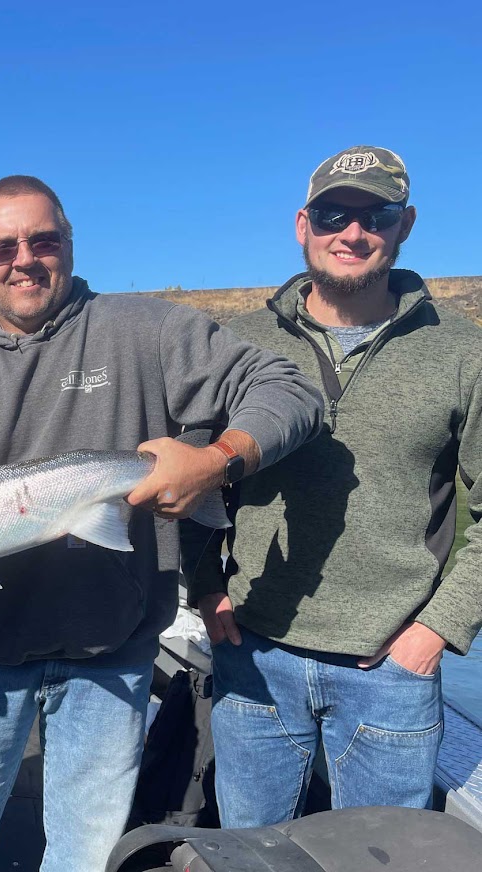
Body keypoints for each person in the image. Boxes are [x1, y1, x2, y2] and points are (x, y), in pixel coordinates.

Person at [0, 175, 325, 872]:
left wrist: (216, 460)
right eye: (2, 247)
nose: (24, 259)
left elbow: (291, 391)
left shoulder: (146, 330)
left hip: (112, 652)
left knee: (84, 857)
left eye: (43, 240)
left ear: (68, 244)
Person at [191, 146, 482, 827]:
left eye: (374, 215)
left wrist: (436, 631)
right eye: (333, 214)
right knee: (250, 854)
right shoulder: (238, 342)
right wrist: (204, 584)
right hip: (253, 658)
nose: (353, 233)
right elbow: (192, 477)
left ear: (404, 224)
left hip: (391, 676)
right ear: (302, 224)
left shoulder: (463, 350)